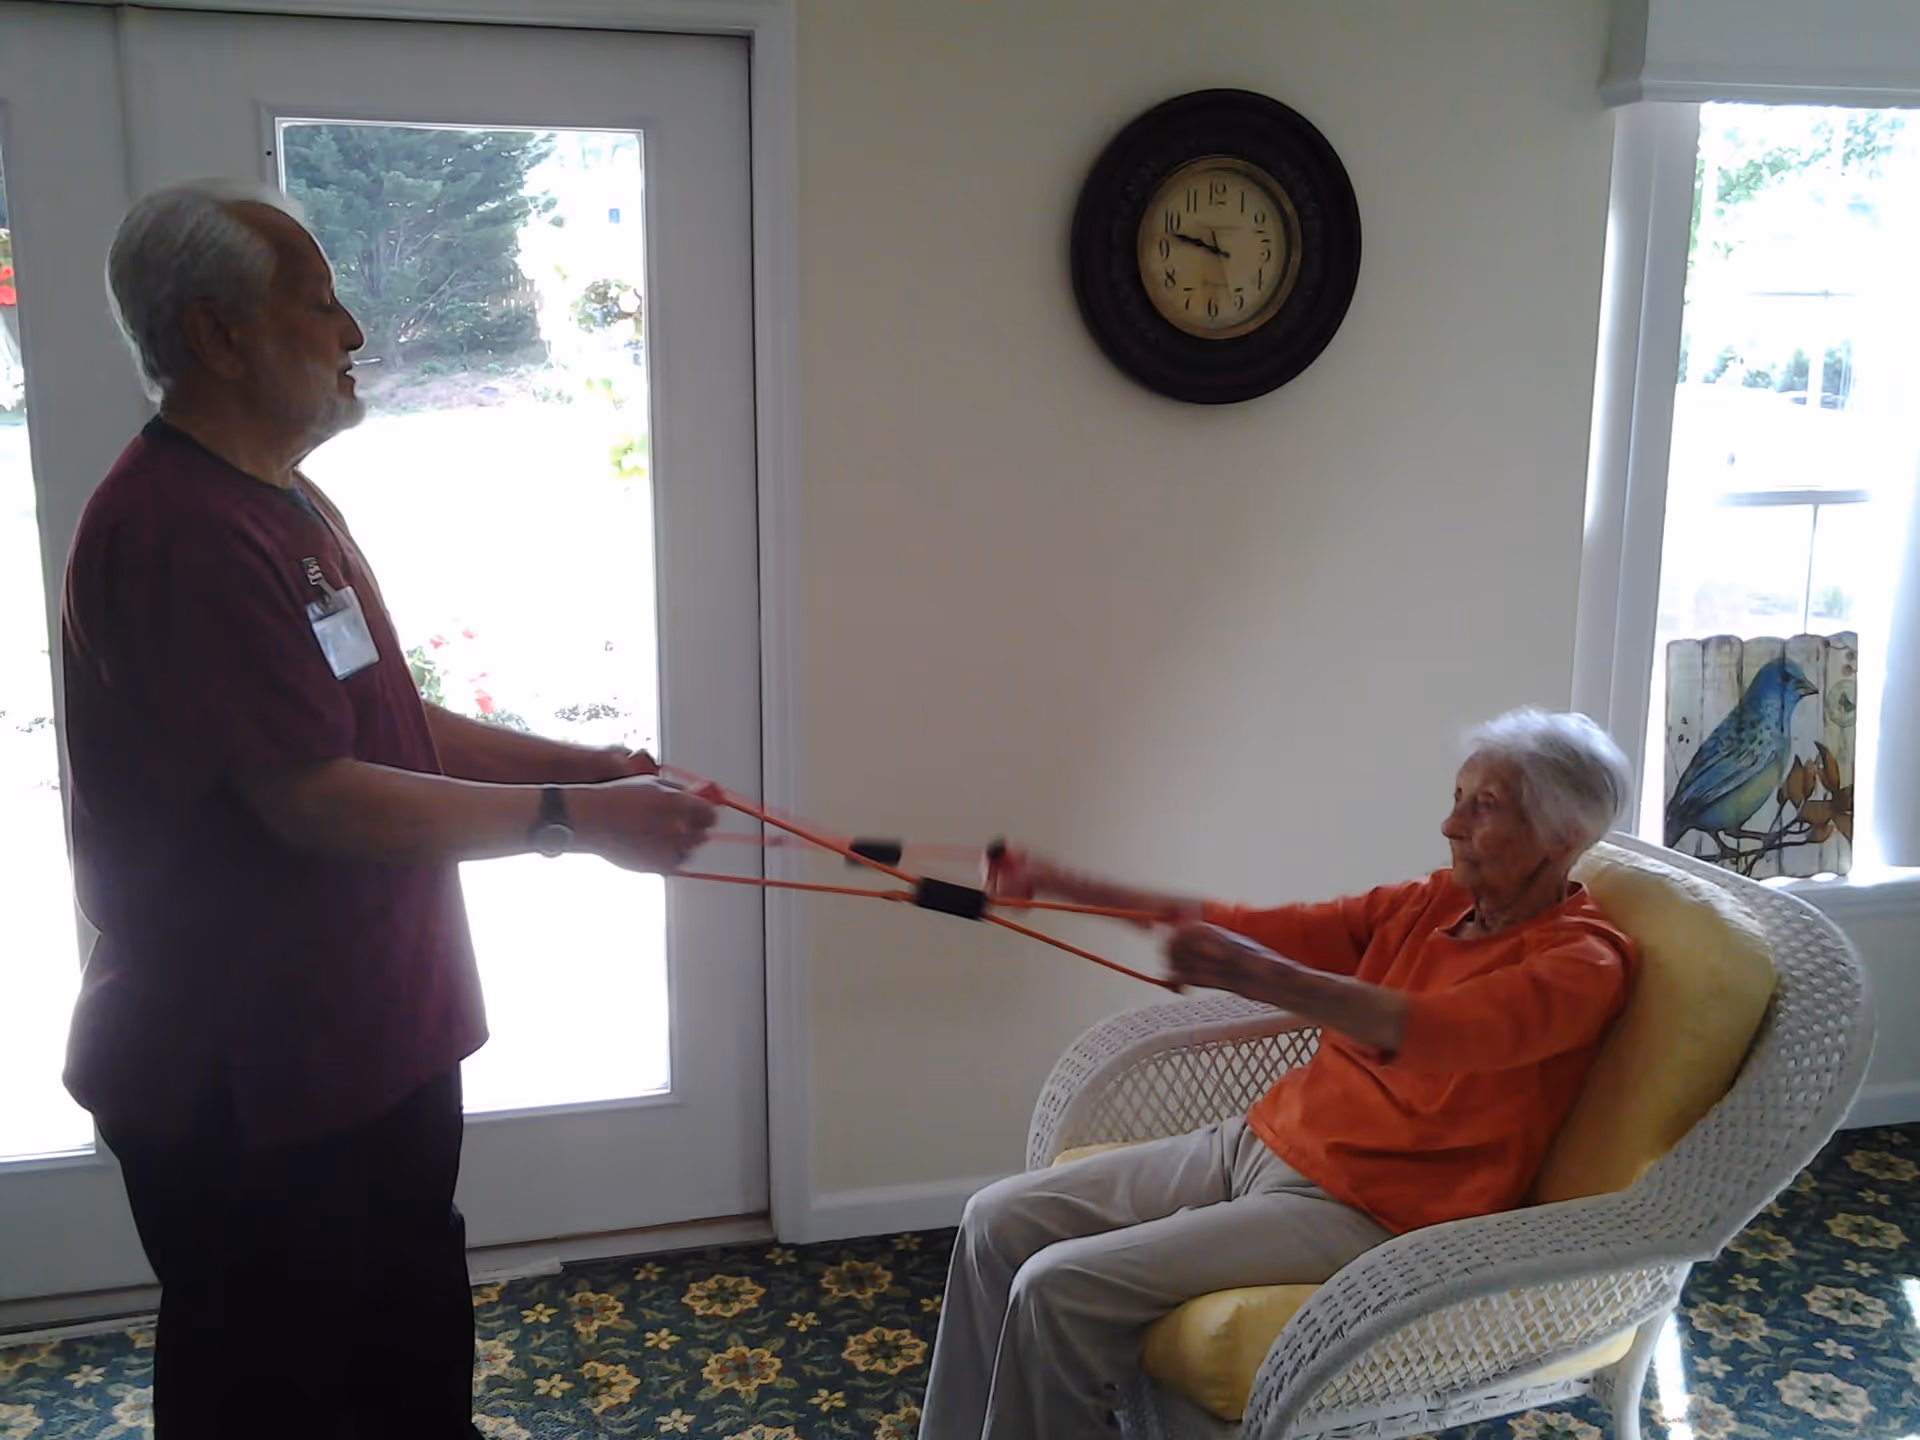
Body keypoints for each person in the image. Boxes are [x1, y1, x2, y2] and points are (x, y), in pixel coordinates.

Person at [59, 179, 717, 1440]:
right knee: (285, 1395)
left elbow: (381, 730)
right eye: (319, 304)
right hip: (253, 1083)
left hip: (368, 1045)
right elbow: (315, 802)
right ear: (217, 335)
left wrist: (580, 766)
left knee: (406, 1369)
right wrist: (575, 827)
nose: (353, 331)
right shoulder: (181, 533)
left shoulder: (284, 499)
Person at [922, 708, 1640, 1440]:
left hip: (1369, 1211)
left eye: (1482, 807)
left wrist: (1267, 976)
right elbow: (1261, 924)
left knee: (1056, 1289)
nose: (1450, 825)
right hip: (1259, 1142)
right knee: (993, 1220)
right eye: (1457, 797)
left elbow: (1433, 1030)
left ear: (1563, 837)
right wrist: (1062, 882)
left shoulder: (1583, 964)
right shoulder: (1436, 901)